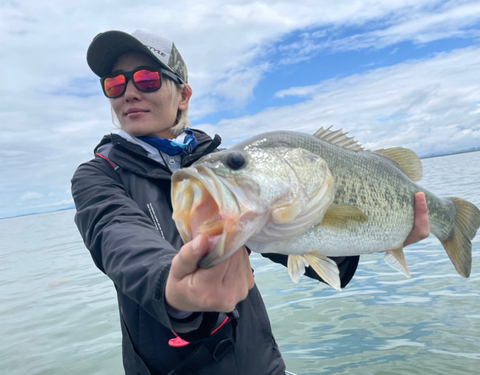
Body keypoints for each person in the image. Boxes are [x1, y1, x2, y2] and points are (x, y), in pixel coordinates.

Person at [71, 30, 430, 375]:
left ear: (183, 96)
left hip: (259, 363)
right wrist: (172, 286)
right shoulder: (98, 176)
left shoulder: (225, 163)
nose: (129, 93)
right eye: (115, 84)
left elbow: (287, 237)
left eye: (146, 79)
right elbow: (116, 236)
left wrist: (380, 233)